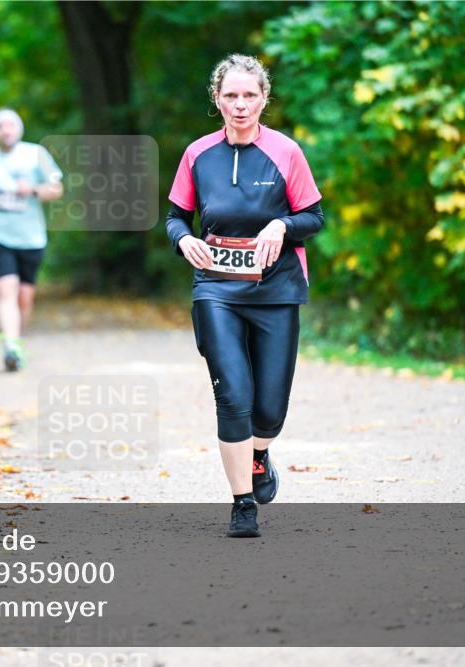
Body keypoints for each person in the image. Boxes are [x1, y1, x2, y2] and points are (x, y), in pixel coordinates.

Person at [165, 54, 325, 537]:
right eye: (230, 95)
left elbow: (315, 217)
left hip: (277, 289)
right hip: (216, 288)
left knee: (269, 408)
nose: (240, 105)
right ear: (217, 99)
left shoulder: (286, 152)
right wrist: (183, 239)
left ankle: (259, 454)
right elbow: (175, 216)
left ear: (264, 99)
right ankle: (242, 505)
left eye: (249, 95)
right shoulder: (198, 154)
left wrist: (281, 223)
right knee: (232, 394)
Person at [0, 108, 63, 371]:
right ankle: (10, 348)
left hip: (31, 237)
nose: (6, 130)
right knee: (5, 290)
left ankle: (15, 340)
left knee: (24, 297)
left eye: (11, 126)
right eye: (1, 126)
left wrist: (32, 189)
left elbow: (57, 188)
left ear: (19, 129)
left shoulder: (38, 155)